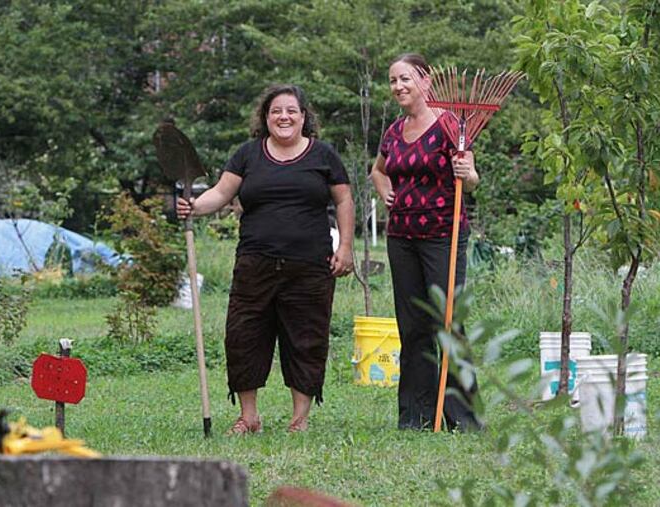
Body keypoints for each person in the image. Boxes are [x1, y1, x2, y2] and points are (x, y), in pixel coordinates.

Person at [177, 84, 355, 435]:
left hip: (310, 265)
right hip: (255, 263)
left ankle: (299, 419)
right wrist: (195, 207)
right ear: (266, 117)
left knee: (306, 337)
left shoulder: (324, 156)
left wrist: (345, 247)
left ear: (304, 117)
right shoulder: (248, 155)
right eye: (276, 111)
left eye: (291, 110)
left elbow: (344, 201)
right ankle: (249, 417)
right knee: (244, 335)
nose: (284, 117)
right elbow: (221, 193)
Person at [370, 53, 482, 431]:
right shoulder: (394, 130)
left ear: (426, 80)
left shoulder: (451, 125)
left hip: (443, 236)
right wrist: (385, 191)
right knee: (412, 325)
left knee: (448, 322)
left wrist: (467, 173)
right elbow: (379, 169)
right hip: (401, 237)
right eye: (393, 81)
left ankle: (463, 417)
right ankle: (415, 415)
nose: (399, 86)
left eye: (405, 79)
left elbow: (471, 178)